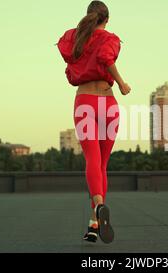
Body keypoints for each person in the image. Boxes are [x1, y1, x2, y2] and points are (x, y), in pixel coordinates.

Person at [57, 0, 131, 244]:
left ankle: (98, 208)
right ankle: (94, 223)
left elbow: (69, 69)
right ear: (106, 19)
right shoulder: (108, 38)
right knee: (102, 165)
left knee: (92, 160)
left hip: (86, 102)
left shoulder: (74, 39)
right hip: (108, 105)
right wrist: (121, 83)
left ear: (89, 17)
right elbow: (106, 57)